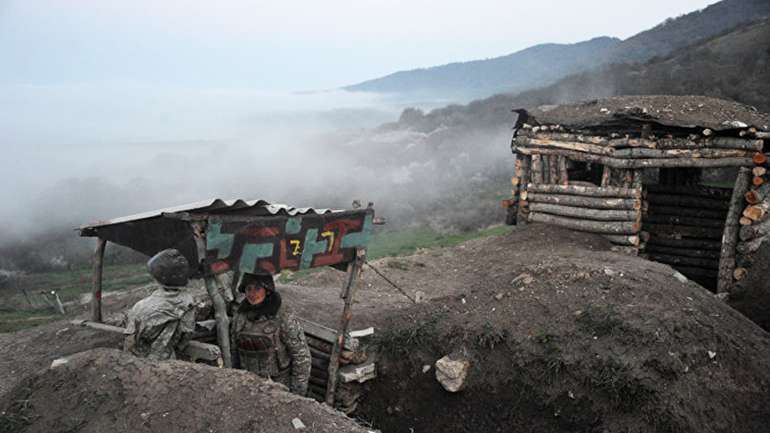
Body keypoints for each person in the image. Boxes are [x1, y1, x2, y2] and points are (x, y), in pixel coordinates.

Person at [230, 273, 311, 396]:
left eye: (257, 289)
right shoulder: (240, 316)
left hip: (278, 386)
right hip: (247, 384)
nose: (252, 294)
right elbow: (235, 351)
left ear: (267, 290)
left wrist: (297, 395)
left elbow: (301, 356)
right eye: (248, 289)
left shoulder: (282, 316)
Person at [124, 249, 196, 360]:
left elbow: (130, 341)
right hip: (169, 363)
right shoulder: (188, 302)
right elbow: (187, 333)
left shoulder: (140, 307)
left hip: (140, 363)